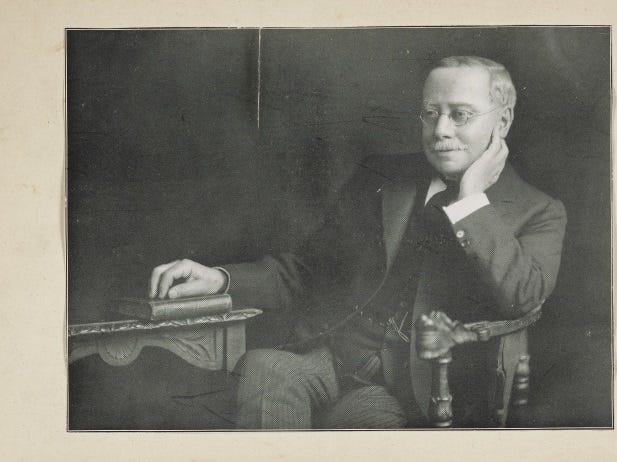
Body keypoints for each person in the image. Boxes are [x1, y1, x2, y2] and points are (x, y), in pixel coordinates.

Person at [148, 56, 567, 428]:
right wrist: (219, 279)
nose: (440, 131)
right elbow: (309, 268)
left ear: (503, 122)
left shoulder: (539, 211)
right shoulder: (381, 176)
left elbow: (522, 298)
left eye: (460, 115)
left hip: (414, 386)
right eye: (430, 113)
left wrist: (471, 201)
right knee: (265, 367)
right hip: (330, 356)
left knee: (354, 421)